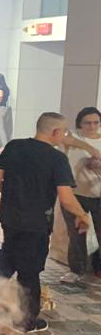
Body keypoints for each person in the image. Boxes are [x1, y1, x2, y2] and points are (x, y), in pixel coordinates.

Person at [0, 113, 95, 333]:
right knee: (29, 271)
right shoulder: (56, 159)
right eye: (63, 132)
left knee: (8, 256)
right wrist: (82, 215)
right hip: (36, 223)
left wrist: (14, 196)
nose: (64, 136)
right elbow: (66, 198)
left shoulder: (14, 146)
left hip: (9, 217)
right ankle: (26, 322)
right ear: (54, 132)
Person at [59, 107, 101, 283]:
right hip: (75, 194)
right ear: (79, 124)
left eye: (96, 122)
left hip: (98, 195)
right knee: (76, 234)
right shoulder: (70, 141)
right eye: (87, 122)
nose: (92, 126)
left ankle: (97, 268)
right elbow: (60, 162)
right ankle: (76, 270)